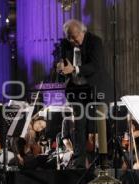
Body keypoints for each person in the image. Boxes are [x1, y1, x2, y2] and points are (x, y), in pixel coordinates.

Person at [56, 19, 103, 168]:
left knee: (94, 126)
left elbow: (95, 65)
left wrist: (75, 69)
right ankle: (79, 164)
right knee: (79, 126)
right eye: (69, 36)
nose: (72, 40)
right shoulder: (65, 44)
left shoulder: (95, 41)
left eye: (74, 36)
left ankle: (100, 163)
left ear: (83, 31)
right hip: (75, 90)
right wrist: (60, 69)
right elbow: (63, 67)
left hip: (92, 90)